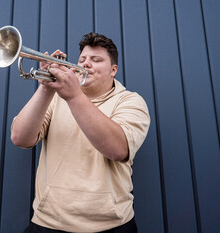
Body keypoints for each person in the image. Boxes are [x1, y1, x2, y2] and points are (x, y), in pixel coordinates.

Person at [11, 32, 150, 233]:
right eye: (82, 59)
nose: (86, 64)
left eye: (96, 60)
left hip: (111, 225)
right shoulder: (55, 98)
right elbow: (20, 138)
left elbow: (118, 149)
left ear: (113, 70)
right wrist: (46, 89)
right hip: (48, 223)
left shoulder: (130, 101)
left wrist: (74, 95)